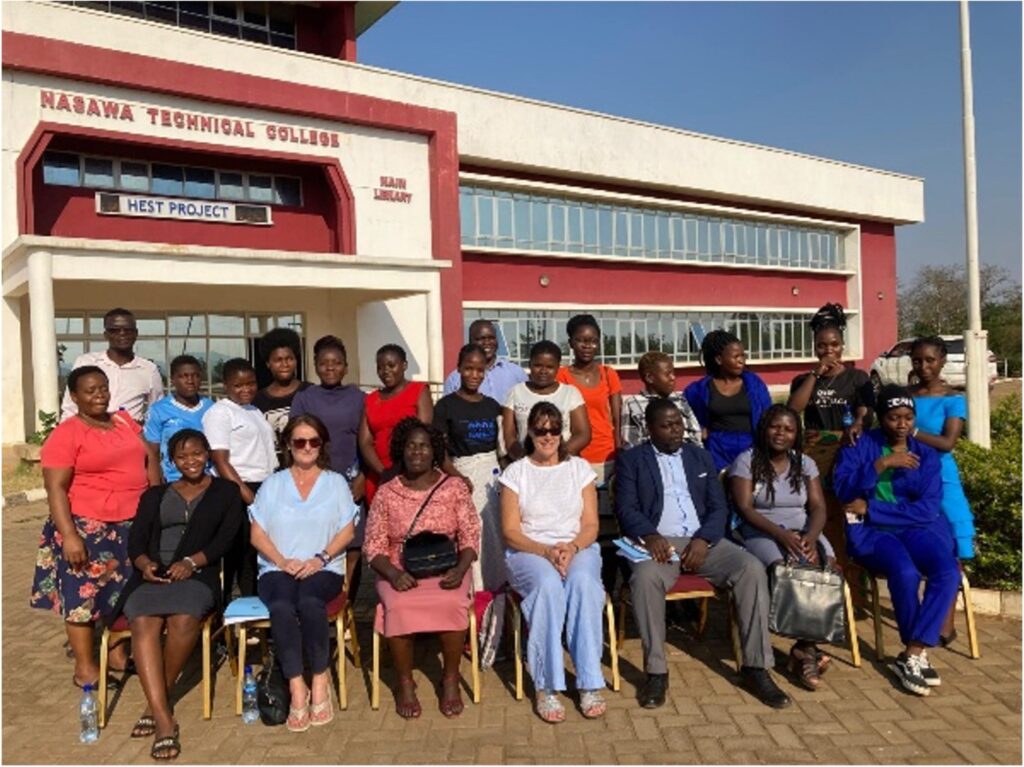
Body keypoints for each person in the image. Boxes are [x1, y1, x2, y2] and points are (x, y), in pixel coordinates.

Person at [614, 398, 791, 710]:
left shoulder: (700, 457)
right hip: (656, 543)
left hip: (701, 541)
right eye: (666, 425)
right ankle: (656, 672)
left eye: (678, 424)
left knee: (750, 568)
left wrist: (705, 539)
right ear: (649, 429)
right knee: (644, 577)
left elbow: (717, 506)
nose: (675, 431)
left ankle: (755, 667)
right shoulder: (632, 460)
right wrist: (651, 535)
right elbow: (625, 508)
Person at [111, 429, 243, 759]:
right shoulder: (155, 496)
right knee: (144, 624)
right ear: (172, 461)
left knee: (184, 620)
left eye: (197, 454)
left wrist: (191, 561)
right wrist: (144, 565)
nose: (191, 461)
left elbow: (226, 539)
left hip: (199, 574)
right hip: (152, 577)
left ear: (208, 454)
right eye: (182, 457)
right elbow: (136, 542)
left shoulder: (225, 492)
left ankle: (156, 704)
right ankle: (164, 718)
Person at [833, 385, 960, 696]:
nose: (901, 425)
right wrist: (881, 465)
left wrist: (873, 507)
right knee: (905, 572)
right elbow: (843, 491)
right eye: (893, 418)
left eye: (907, 417)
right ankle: (914, 655)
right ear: (881, 418)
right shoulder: (860, 444)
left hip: (911, 528)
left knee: (947, 570)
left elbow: (927, 509)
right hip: (870, 533)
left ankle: (913, 652)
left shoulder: (925, 454)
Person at [31, 366, 149, 691]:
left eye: (103, 388)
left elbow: (147, 456)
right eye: (90, 390)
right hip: (86, 526)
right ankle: (85, 668)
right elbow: (55, 488)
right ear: (74, 396)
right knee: (82, 596)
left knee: (121, 592)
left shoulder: (124, 421)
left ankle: (117, 656)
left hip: (128, 524)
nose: (99, 395)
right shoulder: (66, 433)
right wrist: (70, 535)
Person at [249, 415, 358, 731]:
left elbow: (347, 531)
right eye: (299, 441)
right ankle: (298, 686)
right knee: (282, 605)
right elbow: (257, 535)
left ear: (321, 445)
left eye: (313, 441)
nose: (307, 447)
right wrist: (283, 561)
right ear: (288, 445)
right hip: (277, 567)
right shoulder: (273, 484)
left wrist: (319, 559)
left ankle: (320, 681)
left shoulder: (336, 482)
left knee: (310, 602)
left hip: (323, 567)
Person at [365, 418, 479, 719]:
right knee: (398, 606)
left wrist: (461, 567)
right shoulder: (387, 493)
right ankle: (405, 683)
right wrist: (393, 574)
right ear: (401, 451)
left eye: (424, 446)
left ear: (435, 451)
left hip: (447, 567)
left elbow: (470, 535)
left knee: (453, 601)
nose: (417, 452)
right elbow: (373, 547)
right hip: (400, 570)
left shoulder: (453, 487)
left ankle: (451, 679)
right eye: (411, 446)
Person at [500, 402, 607, 723]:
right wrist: (546, 552)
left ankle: (588, 681)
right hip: (529, 550)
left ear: (562, 432)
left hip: (577, 546)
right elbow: (510, 531)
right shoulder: (515, 473)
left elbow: (590, 525)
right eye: (540, 429)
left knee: (584, 585)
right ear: (529, 432)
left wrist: (572, 548)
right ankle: (546, 685)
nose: (547, 436)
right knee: (547, 587)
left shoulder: (579, 469)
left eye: (553, 429)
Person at [729, 405, 835, 690]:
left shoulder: (805, 463)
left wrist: (811, 536)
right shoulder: (747, 460)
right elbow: (745, 508)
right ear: (764, 428)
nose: (781, 434)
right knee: (783, 568)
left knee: (824, 565)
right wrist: (782, 535)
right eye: (775, 427)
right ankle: (804, 653)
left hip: (803, 528)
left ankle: (804, 648)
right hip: (760, 528)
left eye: (789, 429)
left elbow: (818, 507)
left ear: (796, 434)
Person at [909, 336, 975, 645]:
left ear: (943, 360)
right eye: (917, 360)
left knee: (952, 550)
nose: (923, 366)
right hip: (909, 476)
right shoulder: (906, 396)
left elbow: (948, 442)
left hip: (943, 479)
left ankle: (945, 624)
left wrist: (912, 430)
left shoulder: (953, 399)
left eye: (930, 360)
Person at [290, 335, 367, 601]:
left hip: (351, 483)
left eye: (336, 363)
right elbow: (297, 441)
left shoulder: (359, 398)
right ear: (315, 366)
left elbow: (367, 442)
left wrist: (363, 478)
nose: (330, 368)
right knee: (318, 545)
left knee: (353, 546)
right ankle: (319, 607)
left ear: (346, 366)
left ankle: (347, 608)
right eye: (324, 363)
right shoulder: (304, 398)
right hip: (316, 484)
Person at [433, 343, 506, 593]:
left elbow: (501, 449)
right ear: (458, 370)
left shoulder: (493, 406)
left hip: (491, 477)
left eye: (479, 369)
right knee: (468, 534)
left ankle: (495, 592)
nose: (474, 375)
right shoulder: (445, 406)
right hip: (461, 475)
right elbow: (440, 454)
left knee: (494, 537)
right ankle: (472, 592)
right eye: (468, 369)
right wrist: (458, 477)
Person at [202, 358, 277, 600]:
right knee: (236, 555)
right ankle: (222, 617)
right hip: (238, 487)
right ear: (226, 386)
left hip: (264, 486)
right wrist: (246, 494)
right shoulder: (219, 413)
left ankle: (253, 612)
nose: (246, 390)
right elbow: (220, 460)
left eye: (251, 383)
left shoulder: (254, 411)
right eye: (238, 385)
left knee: (256, 554)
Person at [787, 303, 875, 447]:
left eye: (835, 345)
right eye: (822, 345)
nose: (829, 350)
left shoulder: (858, 377)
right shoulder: (802, 381)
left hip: (849, 447)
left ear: (842, 345)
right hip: (815, 450)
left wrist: (857, 423)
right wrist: (815, 374)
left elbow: (866, 416)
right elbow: (792, 410)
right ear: (815, 347)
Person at [683, 330, 771, 471]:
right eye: (736, 356)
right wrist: (699, 430)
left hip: (751, 449)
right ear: (719, 360)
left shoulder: (754, 384)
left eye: (743, 355)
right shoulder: (698, 390)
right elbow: (687, 419)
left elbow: (768, 417)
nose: (741, 361)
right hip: (716, 452)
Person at [60, 308, 163, 424]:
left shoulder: (149, 370)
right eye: (115, 330)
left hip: (130, 437)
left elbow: (156, 411)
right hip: (90, 434)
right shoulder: (86, 362)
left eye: (128, 330)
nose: (122, 334)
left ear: (136, 333)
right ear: (106, 335)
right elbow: (70, 407)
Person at [359, 344, 433, 504]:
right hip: (379, 477)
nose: (386, 371)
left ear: (404, 365)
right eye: (380, 367)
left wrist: (401, 473)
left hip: (411, 476)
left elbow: (424, 435)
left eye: (391, 365)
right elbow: (365, 442)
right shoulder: (371, 399)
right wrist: (383, 472)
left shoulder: (419, 391)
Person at [556, 314, 622, 474]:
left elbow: (617, 418)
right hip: (573, 456)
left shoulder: (608, 374)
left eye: (593, 341)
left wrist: (619, 451)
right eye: (581, 340)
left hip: (607, 456)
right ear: (571, 343)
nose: (587, 346)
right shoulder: (561, 376)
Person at [502, 340, 591, 461]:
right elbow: (509, 435)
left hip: (561, 464)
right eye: (538, 365)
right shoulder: (515, 392)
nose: (543, 371)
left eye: (549, 367)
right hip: (526, 465)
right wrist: (526, 461)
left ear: (558, 367)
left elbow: (583, 434)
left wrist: (556, 458)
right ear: (530, 364)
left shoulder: (570, 393)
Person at [144, 355, 213, 484]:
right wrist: (155, 487)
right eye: (184, 376)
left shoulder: (212, 408)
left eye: (195, 376)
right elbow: (152, 454)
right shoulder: (158, 410)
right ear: (173, 380)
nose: (190, 381)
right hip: (173, 481)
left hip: (207, 480)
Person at [621, 351, 702, 450]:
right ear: (649, 378)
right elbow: (630, 443)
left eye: (673, 373)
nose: (673, 378)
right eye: (668, 374)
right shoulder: (633, 404)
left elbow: (696, 434)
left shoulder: (679, 400)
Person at [252, 327, 311, 457]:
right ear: (268, 364)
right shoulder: (257, 400)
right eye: (278, 360)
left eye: (289, 358)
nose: (285, 364)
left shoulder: (310, 392)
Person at [442, 318, 527, 406]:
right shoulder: (455, 378)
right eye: (481, 339)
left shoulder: (516, 373)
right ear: (471, 341)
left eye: (491, 338)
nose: (487, 342)